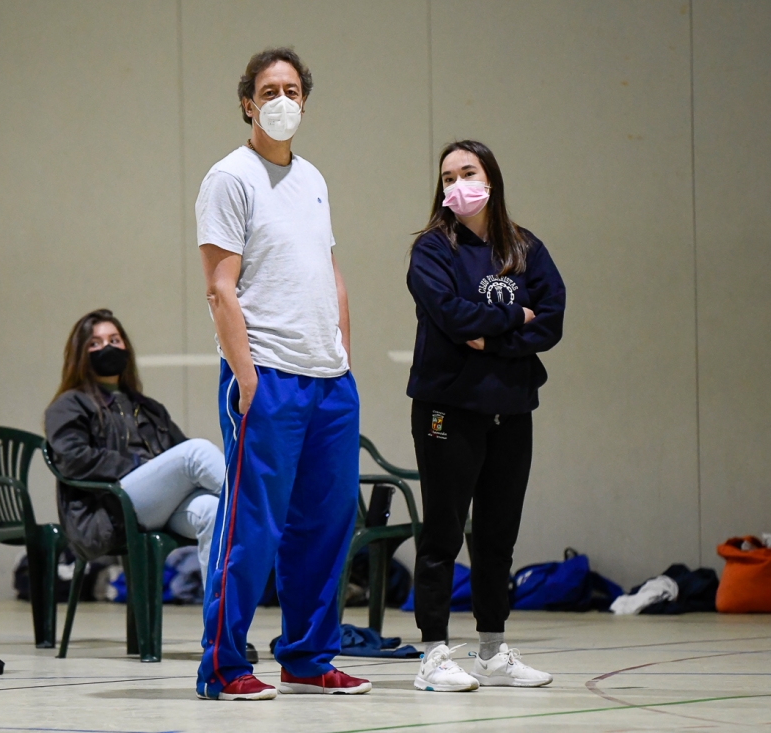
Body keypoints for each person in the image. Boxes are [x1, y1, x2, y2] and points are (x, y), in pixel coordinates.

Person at [195, 47, 370, 701]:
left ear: (305, 100)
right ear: (247, 100)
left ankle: (306, 654)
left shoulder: (314, 178)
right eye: (270, 88)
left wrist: (342, 357)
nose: (282, 99)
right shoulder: (229, 177)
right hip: (266, 375)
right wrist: (245, 377)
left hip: (329, 379)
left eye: (293, 88)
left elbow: (330, 272)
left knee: (326, 522)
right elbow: (219, 287)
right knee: (252, 525)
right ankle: (223, 665)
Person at [406, 140, 566, 691]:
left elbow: (551, 320)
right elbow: (451, 315)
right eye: (447, 176)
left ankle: (493, 651)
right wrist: (511, 316)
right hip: (447, 407)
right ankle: (432, 654)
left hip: (511, 408)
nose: (457, 185)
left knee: (498, 534)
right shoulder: (432, 249)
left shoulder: (525, 248)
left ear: (490, 178)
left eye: (467, 172)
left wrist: (491, 335)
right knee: (443, 532)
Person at [44, 309, 222, 593]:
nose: (107, 347)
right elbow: (72, 459)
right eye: (95, 343)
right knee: (196, 453)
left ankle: (220, 632)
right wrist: (137, 463)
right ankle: (269, 513)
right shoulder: (69, 404)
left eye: (114, 340)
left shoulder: (147, 407)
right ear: (80, 354)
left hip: (154, 507)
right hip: (106, 512)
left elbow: (176, 458)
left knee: (214, 511)